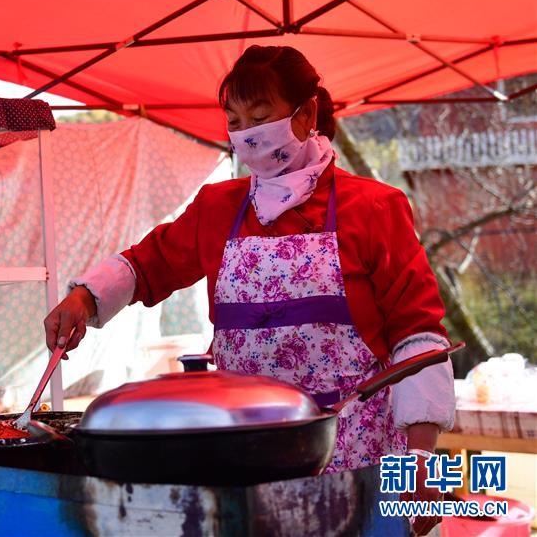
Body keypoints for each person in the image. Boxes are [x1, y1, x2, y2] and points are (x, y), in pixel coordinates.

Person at [44, 45, 455, 536]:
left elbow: (420, 338)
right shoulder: (218, 207)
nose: (247, 135)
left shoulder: (375, 207)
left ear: (307, 115)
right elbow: (147, 263)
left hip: (356, 458)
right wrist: (84, 296)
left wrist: (423, 461)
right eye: (235, 121)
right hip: (246, 464)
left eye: (260, 117)